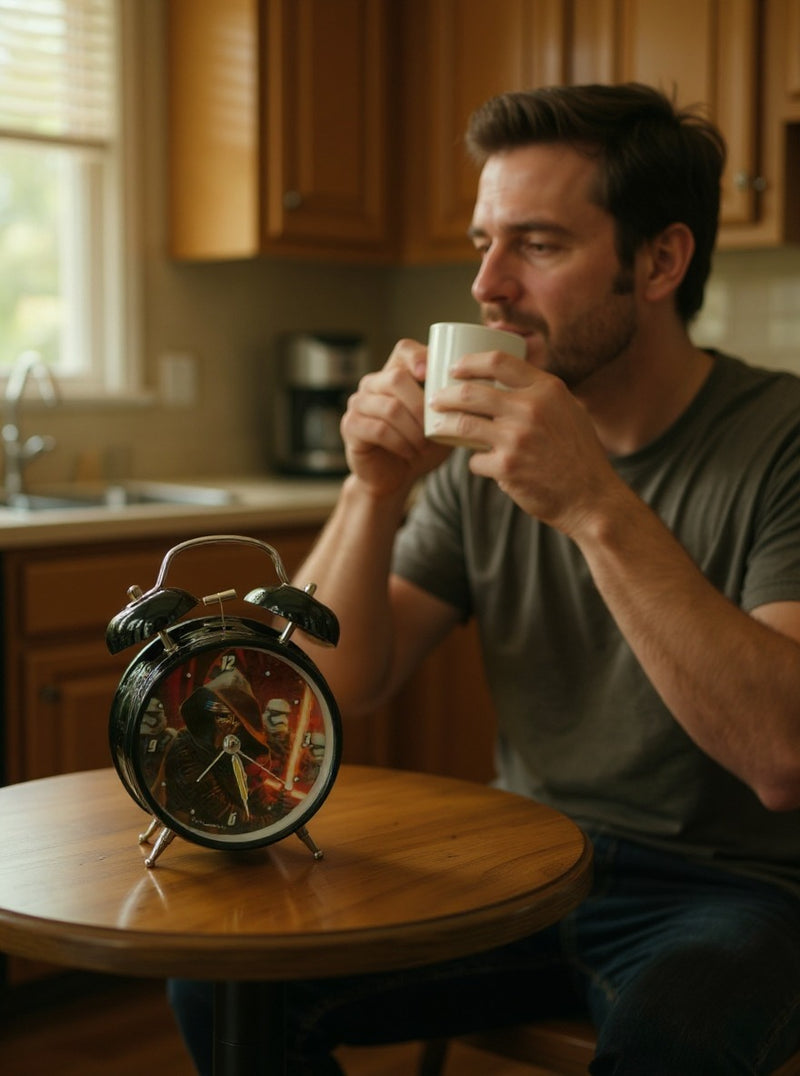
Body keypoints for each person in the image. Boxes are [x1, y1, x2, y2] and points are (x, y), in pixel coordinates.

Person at [169, 83, 800, 1074]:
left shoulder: (780, 441)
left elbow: (780, 755)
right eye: (481, 242)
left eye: (537, 244)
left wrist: (593, 502)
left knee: (670, 1040)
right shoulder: (482, 454)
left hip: (739, 887)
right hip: (532, 854)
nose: (488, 284)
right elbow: (335, 685)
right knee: (224, 977)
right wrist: (369, 489)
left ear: (660, 260)